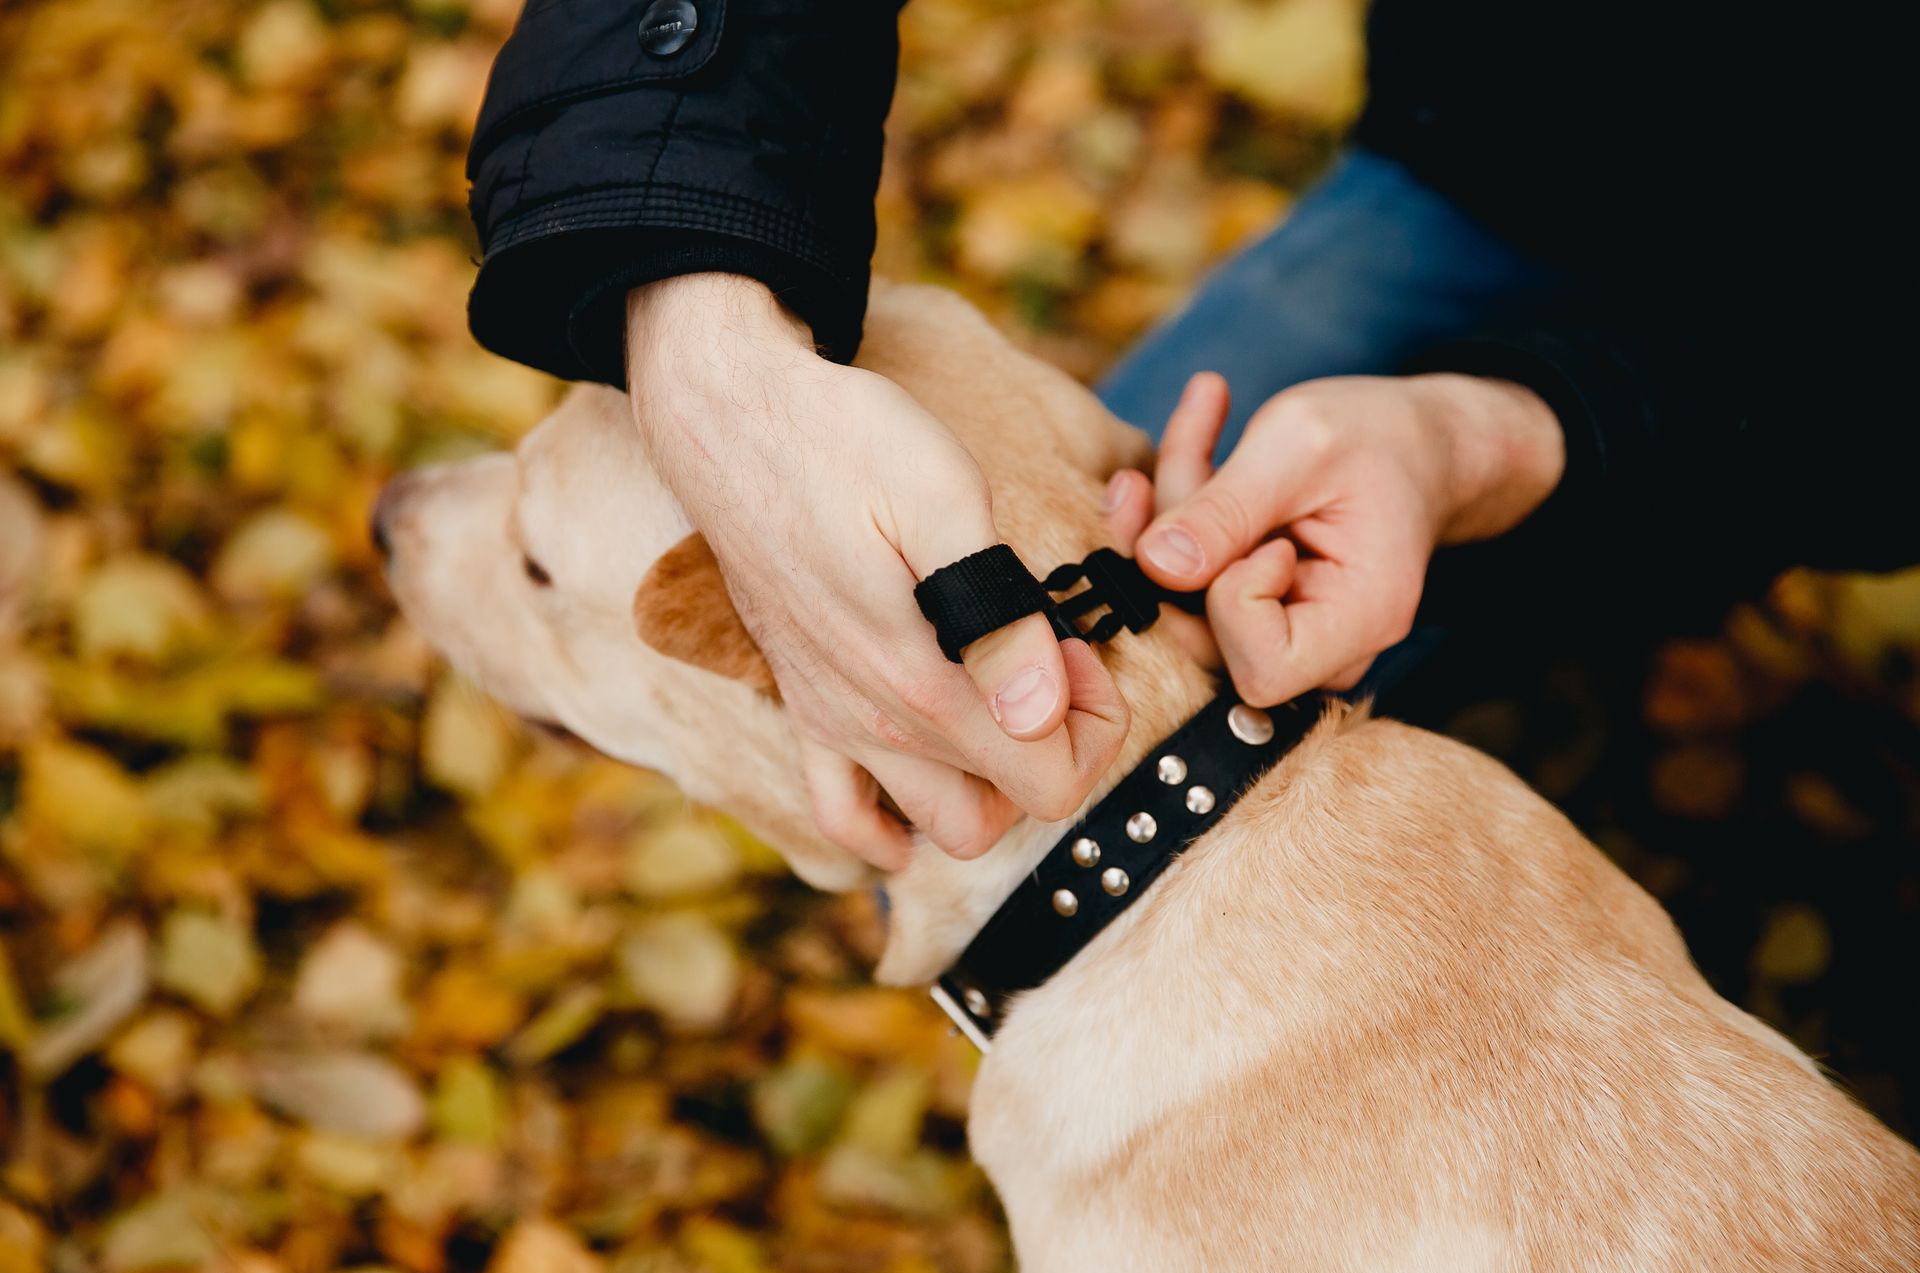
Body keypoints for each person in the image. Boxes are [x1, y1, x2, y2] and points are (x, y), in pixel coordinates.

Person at [463, 0, 1912, 870]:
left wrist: (1515, 437)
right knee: (1123, 610)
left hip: (1854, 342)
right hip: (1519, 144)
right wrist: (709, 339)